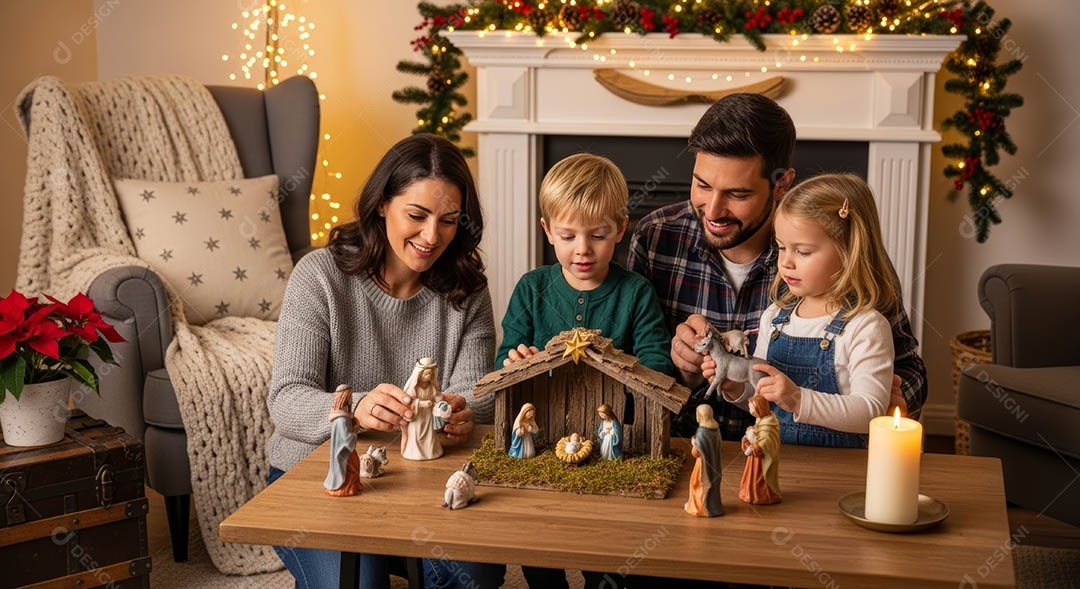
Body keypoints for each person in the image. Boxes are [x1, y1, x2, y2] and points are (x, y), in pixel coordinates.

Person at [266, 133, 505, 589]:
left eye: (449, 220)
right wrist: (354, 409)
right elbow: (287, 399)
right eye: (416, 215)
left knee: (474, 575)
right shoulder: (319, 277)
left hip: (427, 476)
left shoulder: (467, 288)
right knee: (356, 580)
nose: (432, 236)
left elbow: (481, 395)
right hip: (318, 472)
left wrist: (461, 411)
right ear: (381, 205)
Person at [626, 93, 927, 441]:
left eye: (737, 194)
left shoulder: (842, 251)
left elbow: (909, 368)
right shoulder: (655, 236)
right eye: (702, 185)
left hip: (812, 458)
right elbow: (632, 362)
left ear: (781, 183)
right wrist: (680, 369)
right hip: (687, 445)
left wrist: (889, 402)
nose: (713, 210)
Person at [713, 173, 896, 448]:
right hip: (777, 461)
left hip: (843, 469)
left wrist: (799, 399)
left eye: (804, 252)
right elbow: (762, 393)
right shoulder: (775, 319)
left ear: (849, 252)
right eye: (782, 247)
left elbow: (871, 411)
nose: (786, 262)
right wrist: (736, 387)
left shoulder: (865, 327)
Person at [496, 153, 673, 375]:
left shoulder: (637, 292)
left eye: (598, 236)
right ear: (548, 231)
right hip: (544, 407)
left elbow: (657, 362)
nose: (583, 249)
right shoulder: (531, 288)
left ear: (619, 229)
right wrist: (516, 360)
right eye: (568, 237)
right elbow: (505, 358)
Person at [739, 395, 781, 505]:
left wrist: (753, 443)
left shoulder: (769, 424)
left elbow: (765, 443)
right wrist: (749, 434)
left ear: (760, 408)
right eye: (750, 409)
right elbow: (758, 432)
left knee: (760, 478)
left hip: (762, 459)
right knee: (751, 476)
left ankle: (763, 496)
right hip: (755, 458)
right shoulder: (760, 418)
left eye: (753, 409)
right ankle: (750, 493)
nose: (751, 412)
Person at [685, 404, 724, 517]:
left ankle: (699, 508)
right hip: (714, 464)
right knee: (713, 484)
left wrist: (693, 443)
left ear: (700, 416)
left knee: (697, 483)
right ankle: (713, 507)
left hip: (703, 466)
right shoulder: (715, 429)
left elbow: (696, 453)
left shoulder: (702, 432)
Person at [401, 357, 443, 461]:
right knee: (416, 433)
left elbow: (437, 396)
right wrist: (421, 403)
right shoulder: (414, 388)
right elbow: (409, 402)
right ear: (419, 374)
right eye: (425, 373)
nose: (428, 376)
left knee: (429, 434)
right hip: (417, 415)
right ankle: (415, 452)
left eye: (430, 373)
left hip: (428, 415)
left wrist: (439, 402)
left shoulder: (431, 387)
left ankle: (431, 451)